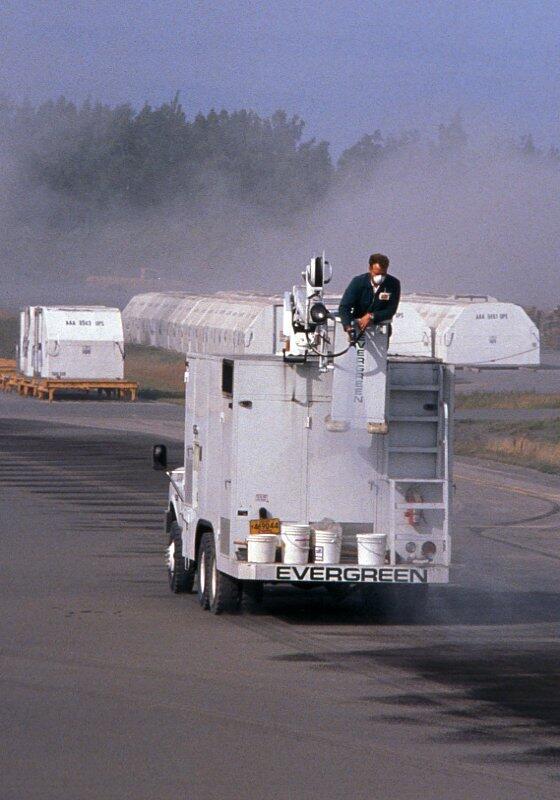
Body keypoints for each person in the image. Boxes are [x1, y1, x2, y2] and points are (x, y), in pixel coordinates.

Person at [338, 253, 401, 339]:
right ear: (370, 269)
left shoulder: (393, 284)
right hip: (357, 327)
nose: (380, 277)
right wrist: (348, 326)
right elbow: (344, 306)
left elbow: (391, 310)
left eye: (383, 274)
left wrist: (372, 316)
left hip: (379, 330)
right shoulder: (358, 282)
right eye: (377, 274)